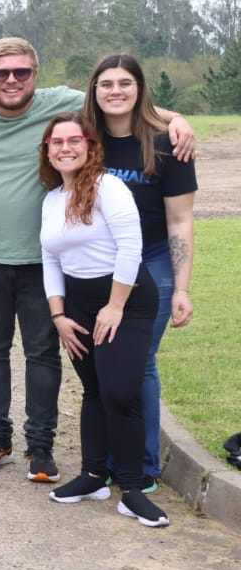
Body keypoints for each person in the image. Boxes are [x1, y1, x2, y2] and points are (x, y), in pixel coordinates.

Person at [0, 37, 194, 481]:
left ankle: (56, 449)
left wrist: (177, 119)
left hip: (82, 262)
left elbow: (120, 96)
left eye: (22, 71)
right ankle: (4, 438)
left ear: (35, 74)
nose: (11, 80)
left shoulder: (60, 103)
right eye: (1, 73)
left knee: (60, 354)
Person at [39, 113, 169, 528]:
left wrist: (114, 306)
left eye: (74, 140)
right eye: (56, 142)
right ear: (47, 151)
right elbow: (50, 260)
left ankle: (132, 489)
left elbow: (131, 247)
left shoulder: (109, 187)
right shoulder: (52, 199)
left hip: (126, 299)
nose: (65, 148)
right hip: (77, 303)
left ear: (90, 146)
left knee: (120, 391)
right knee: (93, 389)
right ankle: (93, 475)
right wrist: (59, 315)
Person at [82, 53, 196, 493]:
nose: (116, 91)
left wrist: (182, 288)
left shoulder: (166, 144)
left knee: (140, 361)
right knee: (102, 361)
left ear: (139, 88)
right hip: (100, 265)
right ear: (94, 90)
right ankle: (108, 460)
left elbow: (180, 221)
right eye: (106, 83)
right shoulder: (85, 138)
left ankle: (143, 464)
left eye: (125, 83)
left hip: (153, 262)